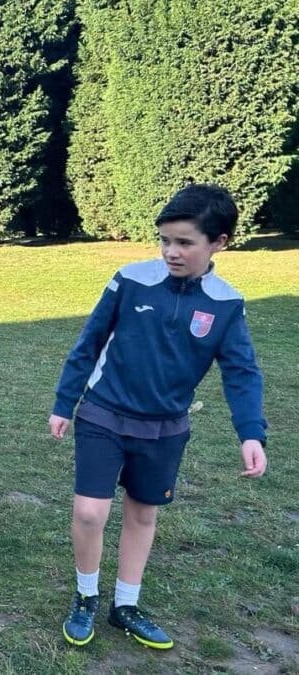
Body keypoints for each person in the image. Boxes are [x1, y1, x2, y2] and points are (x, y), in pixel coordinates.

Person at [49, 183, 268, 650]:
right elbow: (88, 343)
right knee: (89, 512)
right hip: (104, 414)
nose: (171, 251)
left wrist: (251, 433)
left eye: (185, 242)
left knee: (142, 514)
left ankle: (125, 604)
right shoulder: (129, 279)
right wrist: (64, 403)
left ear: (220, 242)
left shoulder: (226, 303)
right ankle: (86, 595)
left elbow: (242, 372)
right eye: (165, 240)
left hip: (166, 428)